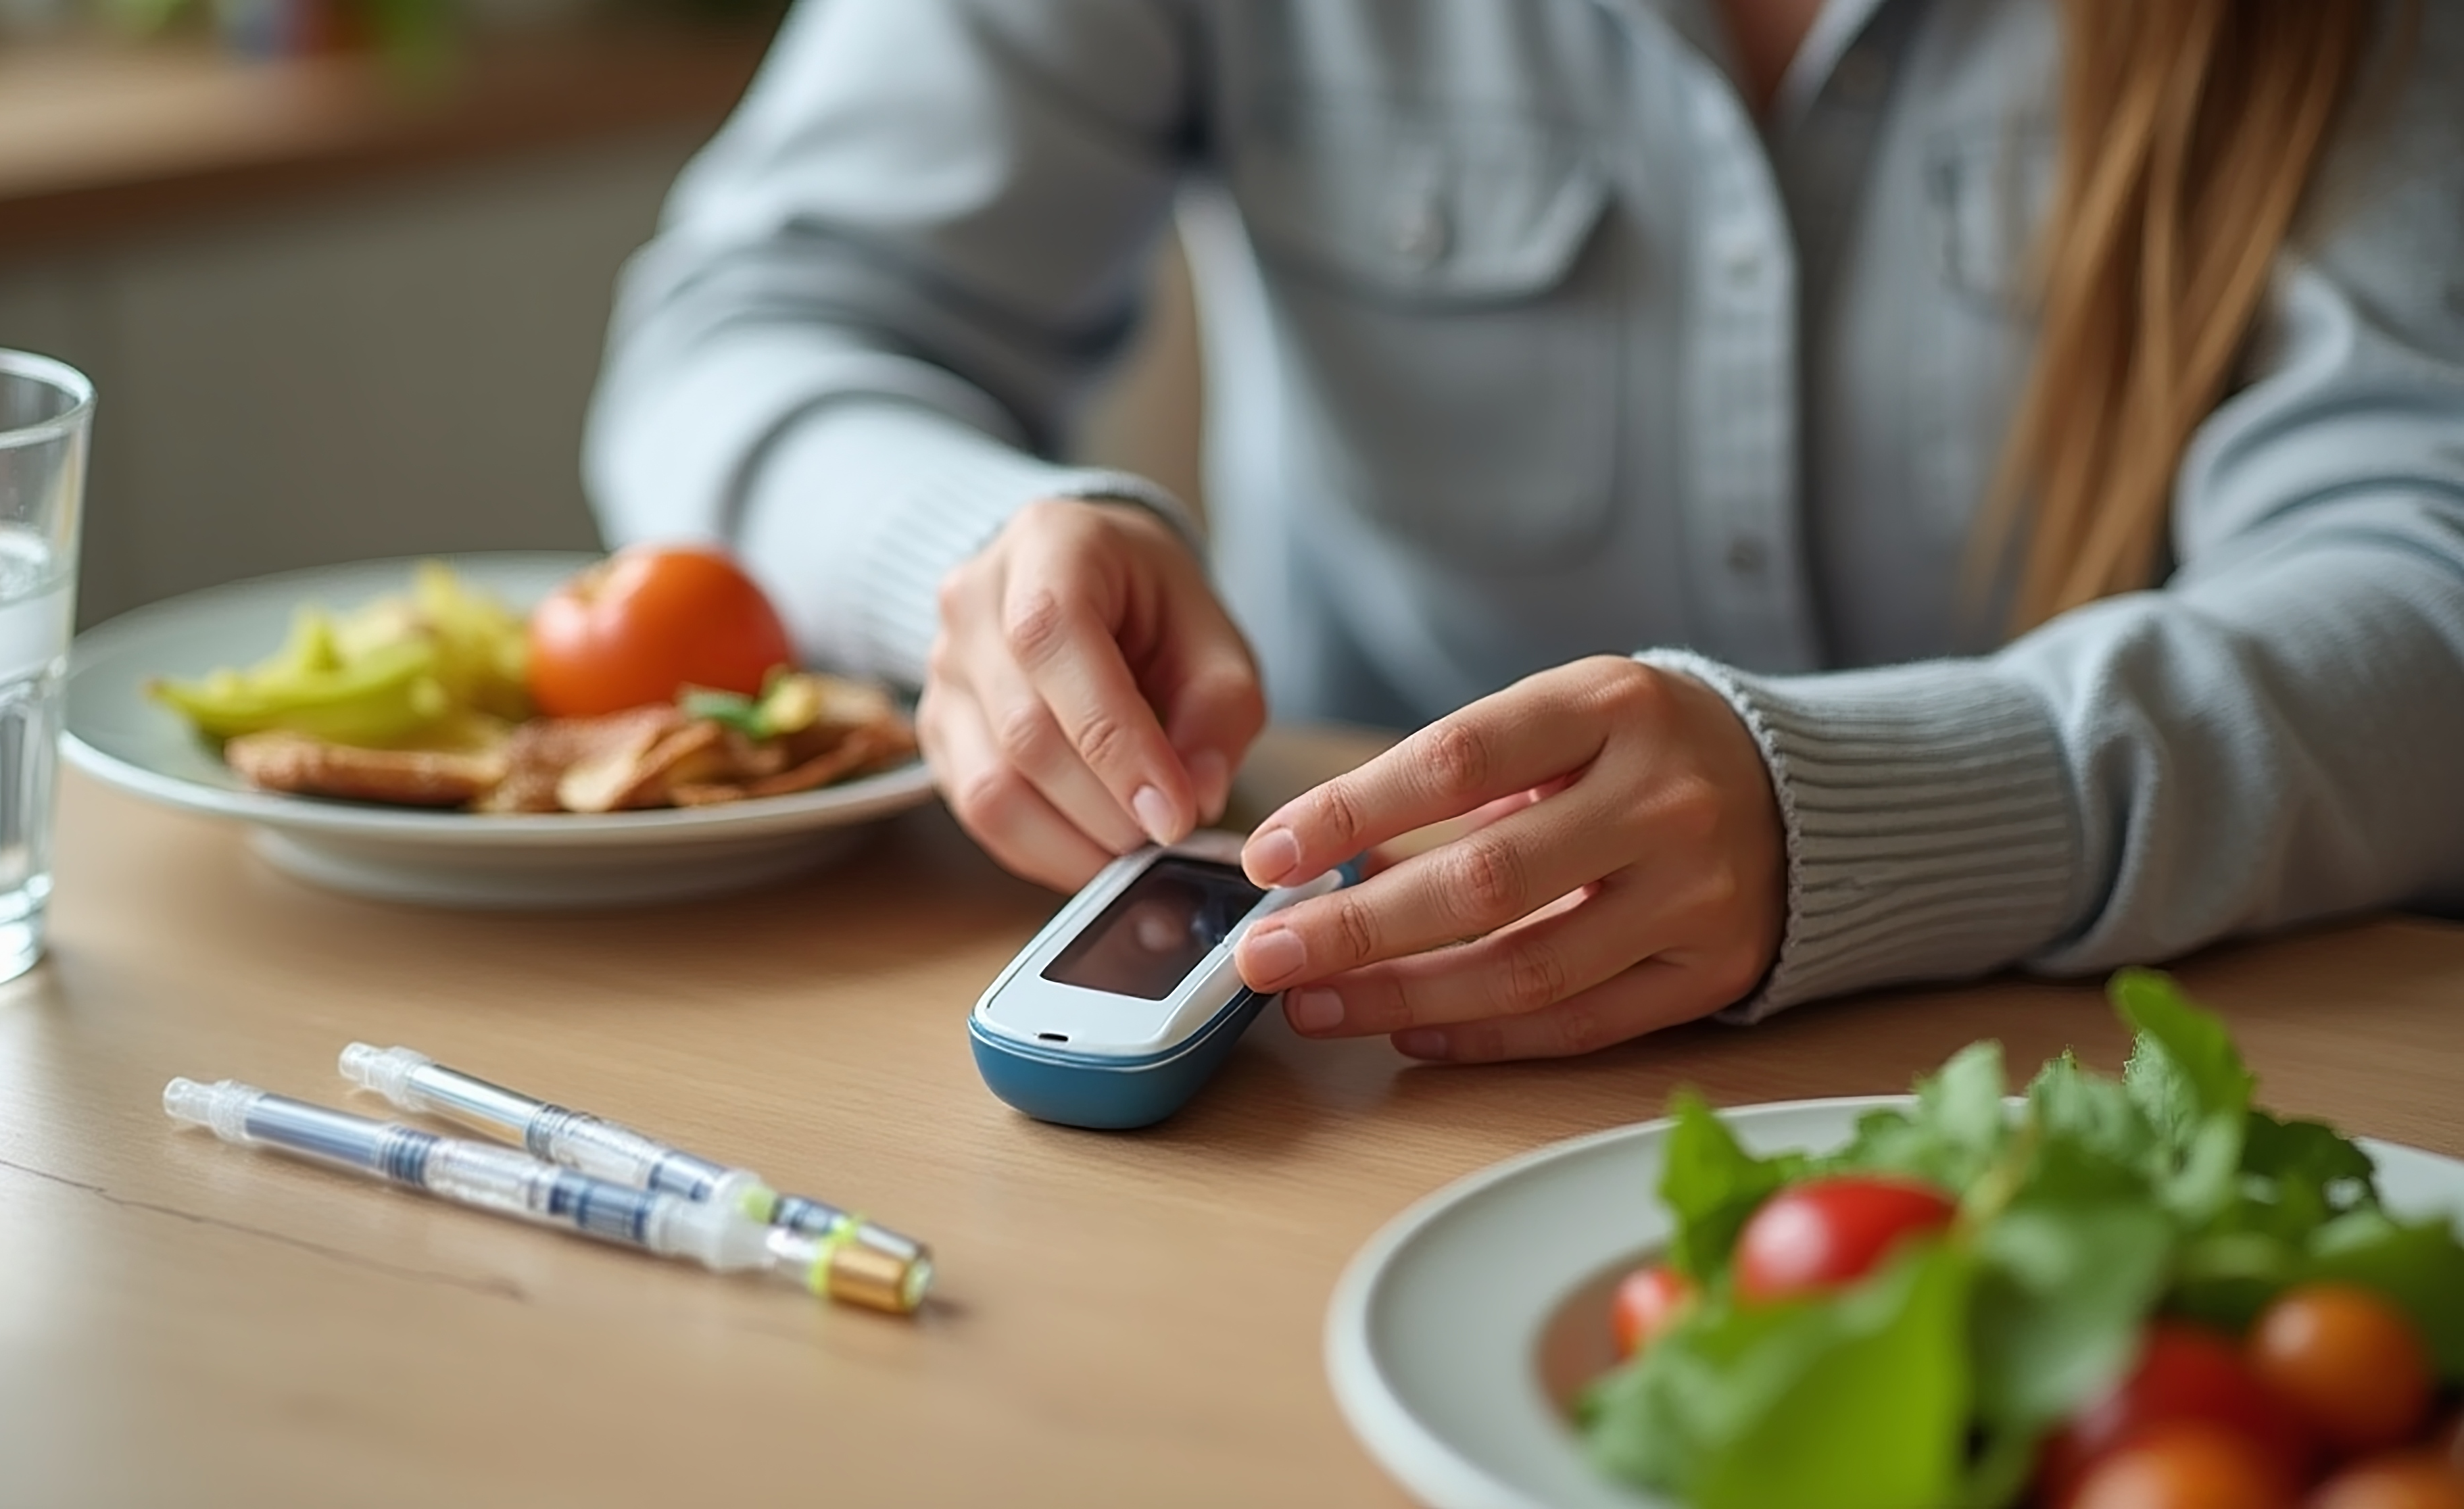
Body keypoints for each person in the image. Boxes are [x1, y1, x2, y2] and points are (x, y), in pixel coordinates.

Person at [583, 0, 2464, 1063]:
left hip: (2139, 1067)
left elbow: (2420, 582)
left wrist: (1871, 814)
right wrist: (982, 558)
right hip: (1353, 1101)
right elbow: (748, 328)